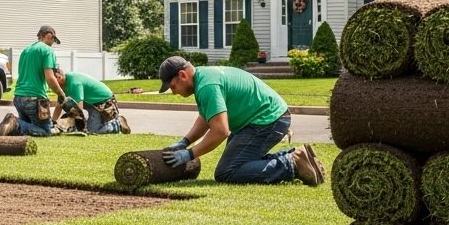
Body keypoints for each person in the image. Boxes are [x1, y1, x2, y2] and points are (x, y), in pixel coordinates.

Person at [157, 55, 325, 186]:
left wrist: (189, 154)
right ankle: (298, 156)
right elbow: (207, 118)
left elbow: (221, 131)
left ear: (182, 75)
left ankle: (292, 163)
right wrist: (184, 142)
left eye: (172, 87)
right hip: (258, 120)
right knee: (241, 162)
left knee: (228, 172)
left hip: (268, 120)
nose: (173, 92)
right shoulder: (203, 78)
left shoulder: (207, 86)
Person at [0, 25, 66, 137]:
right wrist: (61, 94)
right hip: (35, 99)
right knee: (45, 131)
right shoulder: (47, 50)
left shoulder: (26, 51)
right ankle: (16, 123)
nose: (53, 42)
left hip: (19, 97)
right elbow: (49, 77)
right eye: (53, 39)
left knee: (26, 130)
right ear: (47, 35)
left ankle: (14, 124)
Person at [53, 67, 130, 135]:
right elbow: (59, 105)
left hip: (103, 101)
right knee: (66, 103)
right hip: (90, 103)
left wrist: (78, 126)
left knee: (93, 130)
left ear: (59, 77)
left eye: (50, 81)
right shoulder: (61, 85)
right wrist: (52, 123)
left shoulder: (74, 83)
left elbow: (79, 109)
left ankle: (118, 123)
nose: (49, 85)